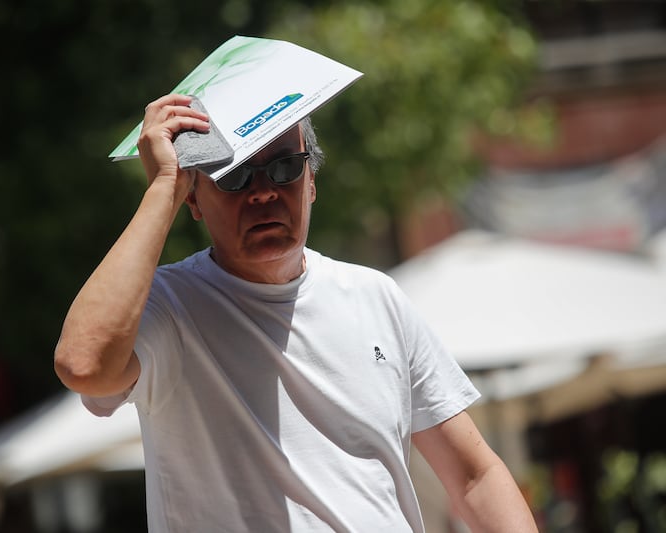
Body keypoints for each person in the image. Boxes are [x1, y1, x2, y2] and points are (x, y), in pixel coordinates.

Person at [54, 93, 538, 532]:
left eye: (284, 167)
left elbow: (475, 477)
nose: (263, 192)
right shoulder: (168, 309)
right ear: (194, 199)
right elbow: (84, 364)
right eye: (233, 175)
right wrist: (162, 186)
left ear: (311, 183)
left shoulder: (375, 296)